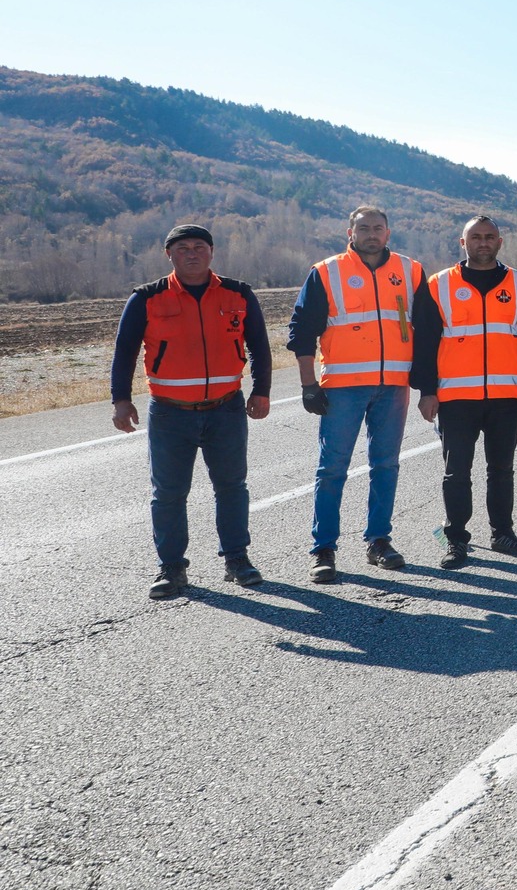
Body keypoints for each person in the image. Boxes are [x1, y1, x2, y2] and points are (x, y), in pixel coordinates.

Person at [111, 223, 273, 599]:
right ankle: (171, 568)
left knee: (232, 487)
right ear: (169, 254)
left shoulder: (238, 293)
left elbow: (260, 347)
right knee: (168, 492)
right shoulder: (147, 298)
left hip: (226, 409)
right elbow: (124, 352)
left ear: (211, 252)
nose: (192, 253)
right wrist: (121, 399)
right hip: (170, 413)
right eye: (182, 247)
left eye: (199, 246)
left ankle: (237, 560)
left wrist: (261, 391)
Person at [287, 206, 424, 582]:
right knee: (332, 469)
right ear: (350, 232)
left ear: (388, 233)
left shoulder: (410, 271)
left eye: (378, 228)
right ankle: (324, 549)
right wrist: (307, 383)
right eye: (363, 228)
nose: (371, 234)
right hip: (342, 388)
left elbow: (427, 327)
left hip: (392, 386)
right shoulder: (327, 272)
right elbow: (302, 330)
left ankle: (379, 541)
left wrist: (427, 382)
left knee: (386, 464)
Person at [410, 216, 517, 569]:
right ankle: (455, 540)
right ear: (462, 242)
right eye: (476, 237)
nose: (483, 243)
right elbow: (423, 343)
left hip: (506, 396)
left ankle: (502, 534)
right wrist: (426, 391)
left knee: (502, 468)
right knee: (457, 472)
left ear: (500, 242)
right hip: (455, 398)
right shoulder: (438, 285)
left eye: (489, 237)